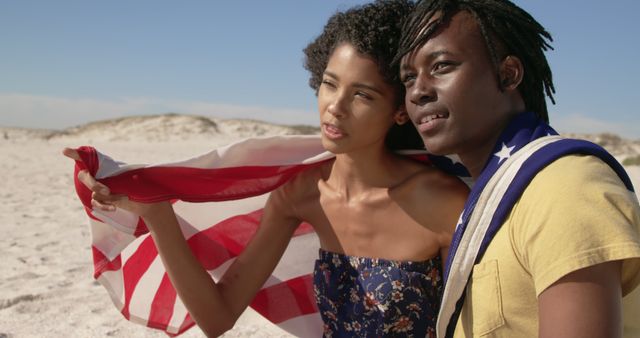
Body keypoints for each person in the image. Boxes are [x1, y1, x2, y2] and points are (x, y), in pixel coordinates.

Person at [64, 1, 469, 337]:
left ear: (400, 109)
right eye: (329, 84)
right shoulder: (301, 195)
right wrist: (158, 214)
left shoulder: (442, 202)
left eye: (361, 94)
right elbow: (218, 317)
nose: (335, 106)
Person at [396, 0, 640, 337]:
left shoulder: (564, 188)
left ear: (508, 74)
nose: (418, 91)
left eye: (442, 66)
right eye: (408, 78)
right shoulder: (491, 190)